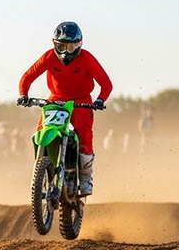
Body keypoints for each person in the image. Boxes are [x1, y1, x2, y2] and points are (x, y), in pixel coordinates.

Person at [17, 21, 113, 196]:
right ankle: (41, 171)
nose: (65, 52)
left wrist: (100, 99)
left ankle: (85, 177)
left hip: (81, 101)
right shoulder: (49, 57)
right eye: (61, 46)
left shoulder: (87, 58)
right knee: (42, 129)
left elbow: (106, 84)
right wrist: (24, 94)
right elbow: (27, 76)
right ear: (54, 44)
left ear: (79, 44)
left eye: (70, 46)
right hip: (56, 100)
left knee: (84, 136)